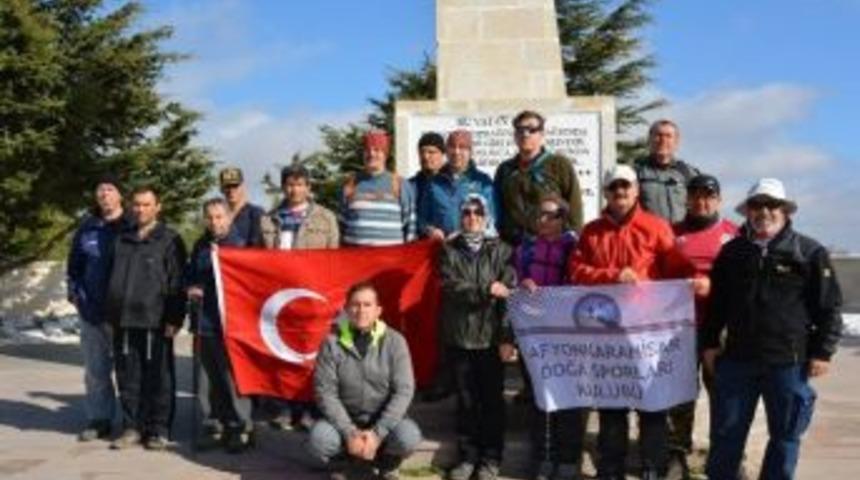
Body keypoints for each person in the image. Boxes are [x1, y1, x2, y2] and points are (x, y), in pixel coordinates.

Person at [702, 178, 843, 480]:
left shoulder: (809, 252)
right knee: (726, 436)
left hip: (788, 363)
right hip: (738, 360)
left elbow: (829, 306)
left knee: (785, 437)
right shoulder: (732, 253)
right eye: (756, 205)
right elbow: (717, 304)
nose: (763, 211)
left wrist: (823, 352)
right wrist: (710, 342)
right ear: (747, 211)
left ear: (785, 210)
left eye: (771, 205)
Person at [569, 165, 683, 480]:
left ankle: (653, 468)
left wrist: (698, 281)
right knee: (611, 408)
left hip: (649, 332)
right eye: (614, 187)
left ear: (636, 190)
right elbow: (576, 271)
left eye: (626, 186)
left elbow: (677, 268)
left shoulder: (657, 226)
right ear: (606, 193)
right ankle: (610, 469)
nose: (620, 192)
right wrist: (612, 276)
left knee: (653, 407)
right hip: (607, 333)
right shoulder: (591, 231)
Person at [662, 174, 738, 476]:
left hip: (719, 329)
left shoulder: (734, 233)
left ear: (718, 200)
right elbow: (656, 273)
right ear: (687, 199)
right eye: (695, 195)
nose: (701, 201)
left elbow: (745, 281)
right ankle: (676, 453)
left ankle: (726, 454)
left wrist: (713, 286)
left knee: (724, 392)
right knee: (679, 393)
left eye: (708, 195)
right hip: (678, 326)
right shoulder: (670, 233)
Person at [309, 282, 422, 480]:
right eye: (355, 304)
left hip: (384, 419)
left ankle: (386, 464)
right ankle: (347, 465)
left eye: (367, 305)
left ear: (378, 310)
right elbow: (325, 392)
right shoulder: (331, 343)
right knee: (319, 439)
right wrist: (350, 433)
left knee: (408, 437)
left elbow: (403, 391)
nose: (361, 310)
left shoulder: (395, 342)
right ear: (346, 309)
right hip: (346, 419)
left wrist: (378, 434)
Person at [439, 194, 516, 480]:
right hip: (460, 338)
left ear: (486, 217)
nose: (472, 217)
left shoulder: (503, 250)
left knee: (492, 402)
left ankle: (491, 458)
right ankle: (468, 456)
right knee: (466, 400)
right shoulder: (449, 250)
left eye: (478, 212)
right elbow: (451, 287)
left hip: (491, 339)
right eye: (467, 212)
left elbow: (508, 296)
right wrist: (486, 288)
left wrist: (507, 337)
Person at [105, 185, 187, 450]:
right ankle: (132, 427)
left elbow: (177, 282)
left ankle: (158, 430)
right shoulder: (121, 238)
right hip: (123, 320)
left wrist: (175, 317)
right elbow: (110, 276)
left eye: (146, 204)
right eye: (137, 204)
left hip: (156, 320)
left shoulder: (169, 239)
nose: (140, 209)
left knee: (158, 378)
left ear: (157, 206)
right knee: (128, 376)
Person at [259, 164, 339, 429]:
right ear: (284, 187)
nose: (295, 189)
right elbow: (259, 259)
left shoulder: (326, 218)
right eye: (290, 184)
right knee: (283, 354)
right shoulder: (269, 219)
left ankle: (309, 409)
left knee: (312, 355)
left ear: (308, 187)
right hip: (281, 298)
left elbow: (334, 259)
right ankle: (283, 408)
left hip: (313, 296)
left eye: (300, 184)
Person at [513, 194, 584, 480]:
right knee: (538, 397)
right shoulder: (525, 249)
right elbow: (514, 284)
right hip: (535, 336)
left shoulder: (575, 247)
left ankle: (568, 459)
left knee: (567, 397)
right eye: (540, 214)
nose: (543, 220)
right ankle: (542, 457)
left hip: (567, 334)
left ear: (562, 218)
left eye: (550, 215)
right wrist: (521, 284)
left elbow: (581, 280)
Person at [66, 174, 133, 441]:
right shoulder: (87, 228)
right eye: (100, 190)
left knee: (128, 371)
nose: (104, 194)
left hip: (125, 314)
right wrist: (75, 294)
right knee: (96, 371)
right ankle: (100, 419)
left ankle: (132, 421)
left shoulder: (130, 225)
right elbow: (74, 267)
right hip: (91, 312)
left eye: (109, 189)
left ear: (120, 196)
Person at [186, 198, 250, 452]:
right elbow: (191, 274)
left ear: (229, 217)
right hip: (203, 322)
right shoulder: (201, 245)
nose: (214, 222)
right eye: (210, 217)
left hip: (230, 326)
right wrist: (189, 287)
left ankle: (240, 427)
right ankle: (213, 425)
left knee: (231, 380)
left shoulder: (240, 246)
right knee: (207, 381)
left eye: (219, 216)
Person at [494, 110, 583, 245]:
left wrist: (572, 239)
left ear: (541, 134)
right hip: (514, 247)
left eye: (531, 129)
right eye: (520, 130)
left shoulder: (559, 165)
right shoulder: (505, 169)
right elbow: (498, 209)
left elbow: (574, 207)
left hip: (551, 246)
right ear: (514, 135)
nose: (525, 134)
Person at [339, 130, 416, 246]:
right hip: (356, 260)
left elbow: (410, 228)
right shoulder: (350, 184)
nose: (371, 154)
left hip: (391, 261)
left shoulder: (401, 184)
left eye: (377, 150)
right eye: (367, 150)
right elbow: (341, 225)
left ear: (385, 154)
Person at [418, 129, 496, 240]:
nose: (456, 152)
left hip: (475, 251)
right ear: (447, 151)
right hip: (443, 250)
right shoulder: (434, 184)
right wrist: (431, 230)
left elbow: (492, 219)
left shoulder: (483, 183)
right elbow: (421, 219)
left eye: (462, 147)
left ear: (470, 152)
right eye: (452, 147)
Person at [633, 120, 700, 224]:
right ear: (649, 140)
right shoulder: (636, 172)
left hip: (681, 237)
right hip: (650, 237)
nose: (663, 140)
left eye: (668, 136)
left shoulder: (689, 173)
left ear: (676, 142)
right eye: (658, 135)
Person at [219, 167, 265, 245]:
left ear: (242, 186)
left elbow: (257, 247)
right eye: (227, 186)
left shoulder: (256, 213)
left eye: (235, 186)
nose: (231, 190)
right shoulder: (217, 216)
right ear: (222, 189)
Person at [410, 131, 447, 217]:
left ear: (442, 154)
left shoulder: (451, 185)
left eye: (431, 152)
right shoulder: (410, 186)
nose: (425, 156)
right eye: (422, 152)